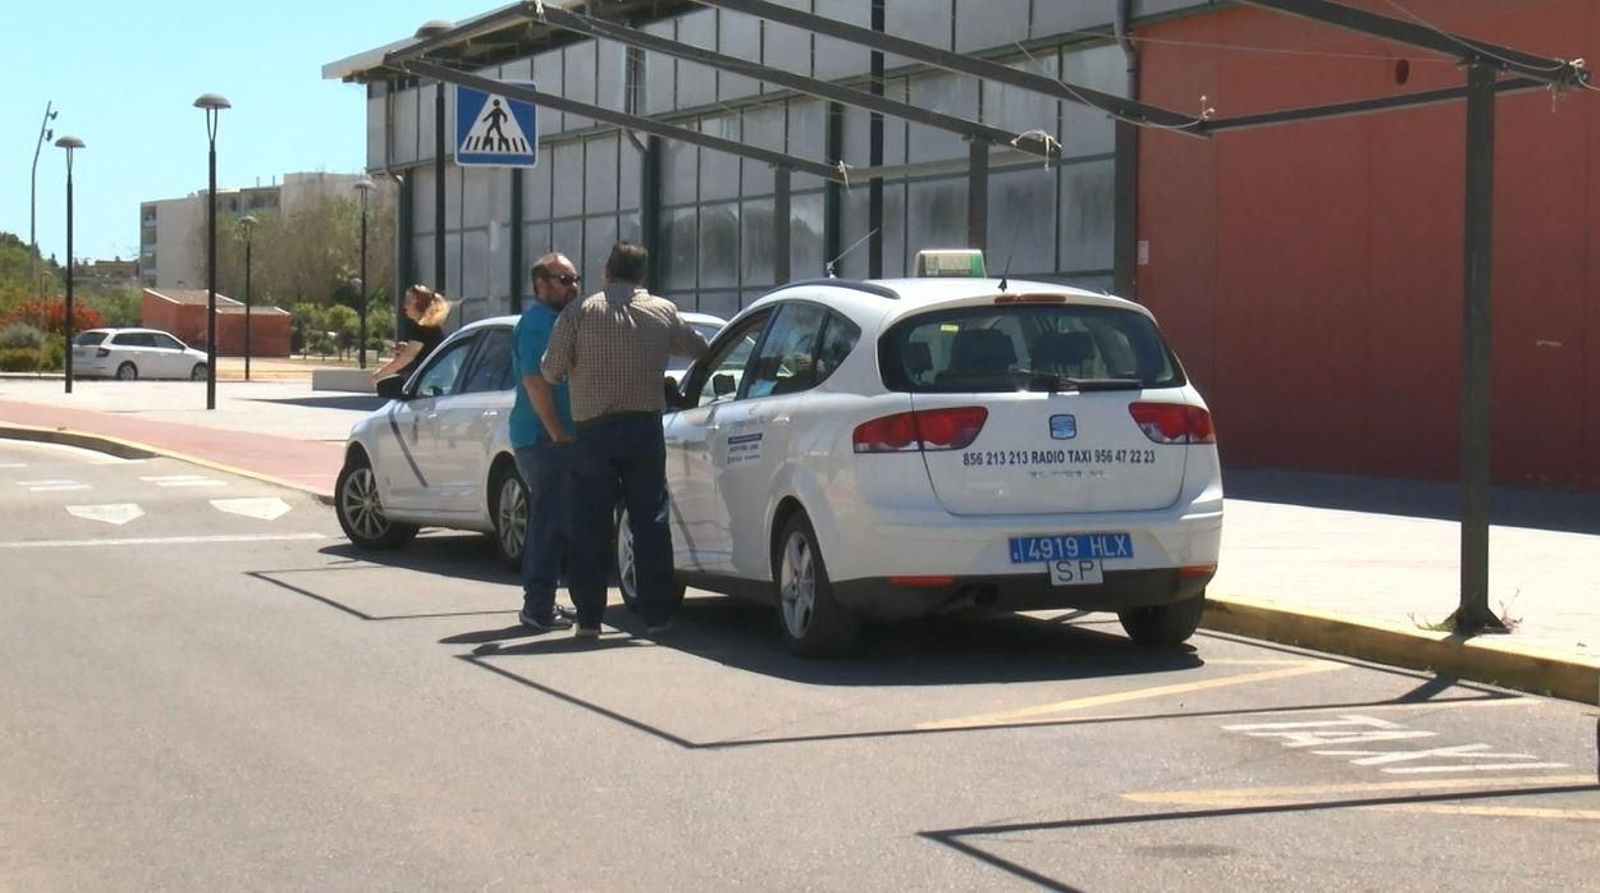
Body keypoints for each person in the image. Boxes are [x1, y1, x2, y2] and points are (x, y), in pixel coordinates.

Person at [541, 241, 708, 639]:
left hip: (593, 431)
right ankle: (657, 615)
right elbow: (699, 349)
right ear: (642, 274)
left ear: (606, 271)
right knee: (650, 520)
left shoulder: (580, 312)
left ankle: (589, 618)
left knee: (590, 523)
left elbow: (550, 370)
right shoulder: (662, 311)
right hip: (644, 428)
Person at [509, 253, 582, 631]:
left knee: (559, 522)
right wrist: (558, 434)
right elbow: (534, 382)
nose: (573, 287)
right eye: (563, 280)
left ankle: (546, 600)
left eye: (575, 279)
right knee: (549, 523)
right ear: (540, 284)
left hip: (557, 439)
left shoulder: (560, 320)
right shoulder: (538, 322)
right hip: (542, 440)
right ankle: (537, 608)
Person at [370, 285, 451, 384]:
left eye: (408, 302)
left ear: (419, 304)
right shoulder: (429, 327)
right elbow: (420, 350)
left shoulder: (422, 328)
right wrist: (407, 348)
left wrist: (378, 374)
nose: (405, 307)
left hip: (432, 381)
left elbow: (407, 357)